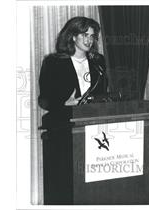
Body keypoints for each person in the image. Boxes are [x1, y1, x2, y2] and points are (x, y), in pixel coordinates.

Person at [38, 16, 108, 204]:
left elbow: (103, 93)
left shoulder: (98, 61)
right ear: (72, 36)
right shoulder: (53, 62)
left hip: (93, 127)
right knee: (68, 185)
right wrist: (63, 103)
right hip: (63, 129)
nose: (89, 40)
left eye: (92, 36)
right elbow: (43, 99)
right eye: (84, 35)